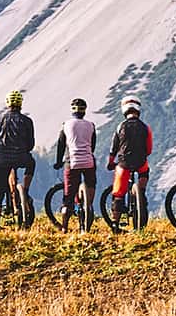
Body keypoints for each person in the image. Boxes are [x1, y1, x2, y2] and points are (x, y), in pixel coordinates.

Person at [0, 90, 37, 228]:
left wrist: (1, 151)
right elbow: (31, 144)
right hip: (21, 156)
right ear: (20, 104)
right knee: (31, 163)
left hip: (2, 159)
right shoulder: (27, 121)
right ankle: (25, 189)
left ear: (7, 103)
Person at [106, 97, 153, 225]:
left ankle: (115, 222)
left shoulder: (120, 126)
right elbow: (149, 149)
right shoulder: (145, 127)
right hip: (141, 162)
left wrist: (111, 162)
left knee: (118, 193)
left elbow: (113, 148)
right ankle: (141, 195)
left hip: (123, 164)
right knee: (144, 172)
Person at [53, 98, 98, 231]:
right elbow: (93, 145)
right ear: (85, 111)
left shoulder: (66, 125)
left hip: (71, 162)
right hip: (88, 161)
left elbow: (61, 145)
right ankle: (88, 206)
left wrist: (58, 161)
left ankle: (65, 227)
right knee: (90, 184)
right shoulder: (91, 125)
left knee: (68, 197)